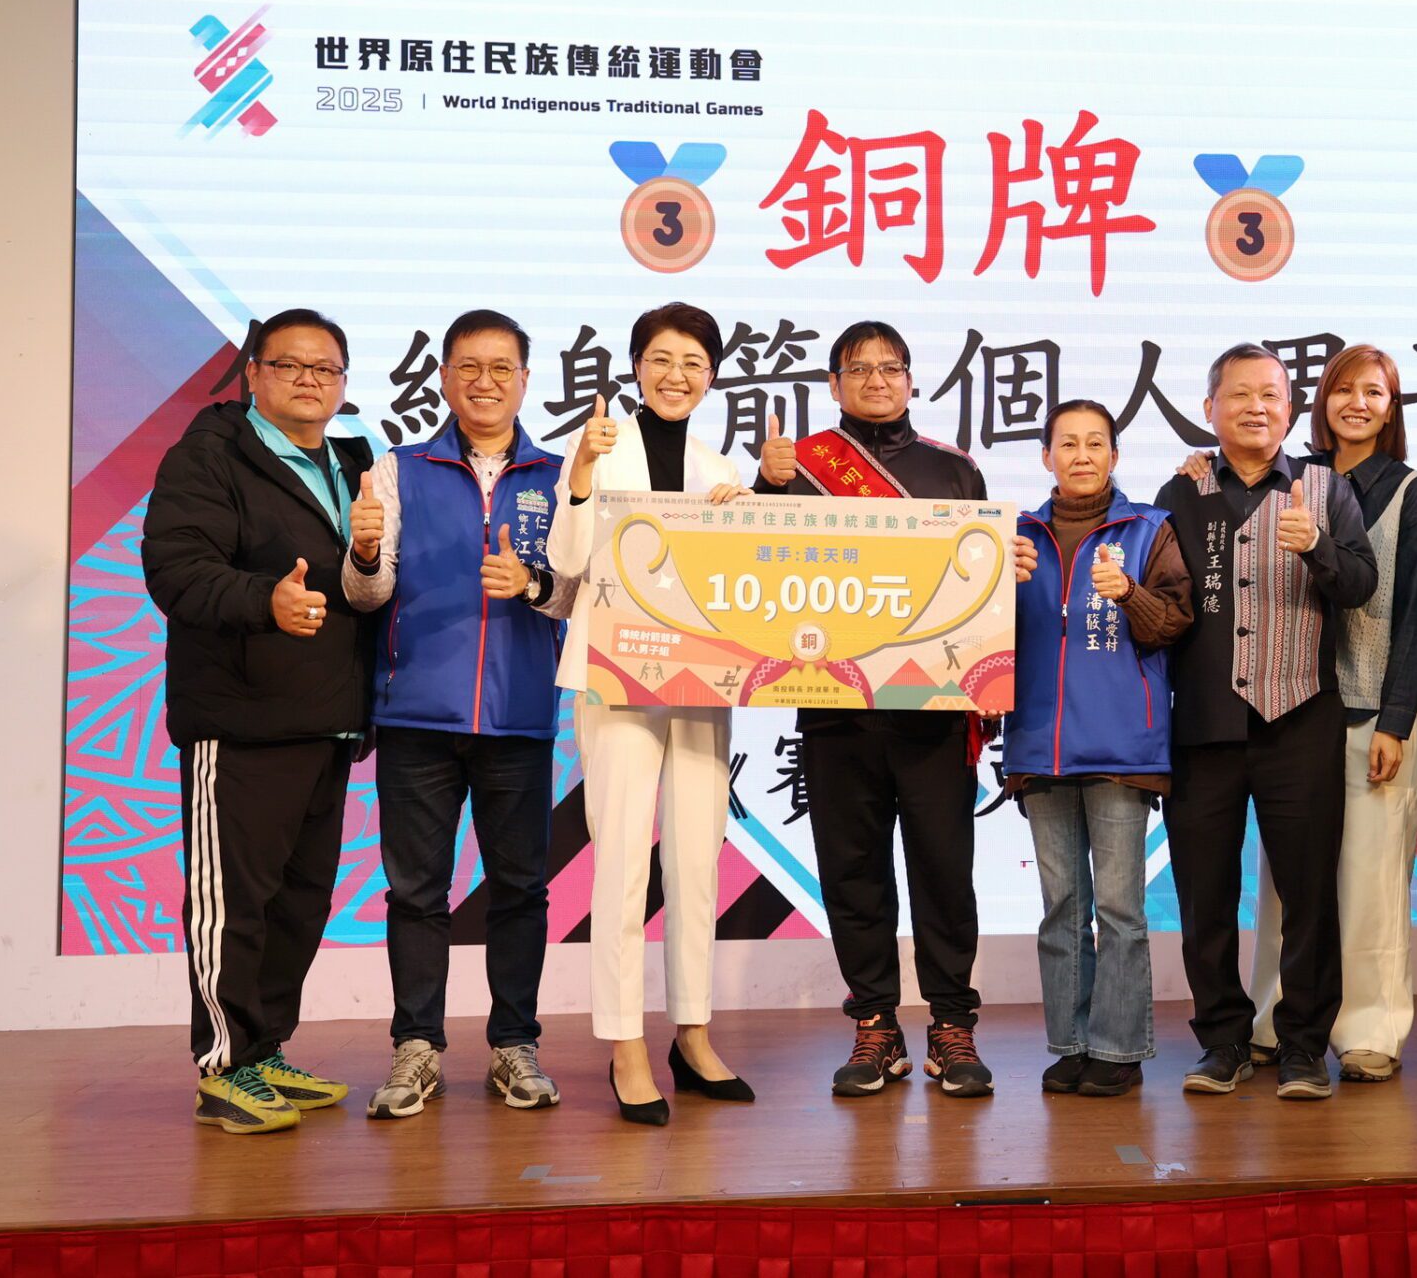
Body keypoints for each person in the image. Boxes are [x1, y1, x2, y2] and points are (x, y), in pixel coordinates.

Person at [141, 308, 373, 1133]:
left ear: (342, 385)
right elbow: (176, 569)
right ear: (252, 373)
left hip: (328, 718)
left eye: (326, 369)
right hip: (240, 719)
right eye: (289, 365)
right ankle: (224, 1064)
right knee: (231, 903)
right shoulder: (210, 455)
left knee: (298, 903)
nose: (309, 380)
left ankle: (265, 1048)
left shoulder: (354, 463)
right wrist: (262, 600)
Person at [750, 320, 995, 1099]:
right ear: (834, 384)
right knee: (852, 872)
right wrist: (766, 488)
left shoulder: (955, 471)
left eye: (891, 367)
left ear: (912, 379)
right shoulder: (798, 466)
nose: (877, 381)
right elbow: (754, 567)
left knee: (944, 872)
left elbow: (979, 587)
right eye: (859, 369)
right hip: (834, 711)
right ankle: (876, 1026)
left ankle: (951, 1025)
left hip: (934, 714)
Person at [342, 309, 576, 1119]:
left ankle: (515, 1046)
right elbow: (367, 593)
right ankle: (417, 1048)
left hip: (520, 717)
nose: (485, 381)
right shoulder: (399, 469)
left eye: (501, 367)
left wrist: (534, 587)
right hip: (418, 717)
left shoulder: (560, 477)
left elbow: (584, 594)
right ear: (442, 377)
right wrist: (363, 550)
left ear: (525, 380)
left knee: (521, 889)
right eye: (468, 367)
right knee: (417, 893)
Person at [545, 302, 754, 1126]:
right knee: (624, 857)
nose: (677, 375)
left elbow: (740, 588)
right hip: (615, 673)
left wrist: (750, 516)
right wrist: (581, 475)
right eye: (662, 359)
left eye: (694, 363)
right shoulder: (600, 446)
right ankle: (626, 1043)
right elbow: (564, 561)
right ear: (636, 368)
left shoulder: (717, 465)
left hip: (702, 679)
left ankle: (692, 1034)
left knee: (699, 858)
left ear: (712, 377)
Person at [1153, 344, 1377, 1101]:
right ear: (1210, 408)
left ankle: (1304, 1045)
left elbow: (1362, 584)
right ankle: (1223, 1040)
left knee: (1310, 894)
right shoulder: (1179, 492)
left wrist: (1317, 546)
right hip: (1204, 724)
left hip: (1301, 719)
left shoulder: (1326, 487)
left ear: (1290, 409)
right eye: (1239, 395)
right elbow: (1161, 601)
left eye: (1271, 396)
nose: (1256, 407)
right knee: (1204, 897)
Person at [1227, 345, 1417, 1083]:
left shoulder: (1412, 492)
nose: (1357, 403)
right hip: (1294, 709)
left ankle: (1370, 1029)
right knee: (1289, 885)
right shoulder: (1294, 478)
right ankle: (1274, 1018)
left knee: (1372, 881)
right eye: (1343, 389)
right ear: (1318, 403)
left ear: (1392, 408)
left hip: (1372, 712)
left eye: (1374, 392)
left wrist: (1396, 720)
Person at [1006, 400, 1194, 1098]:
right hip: (1039, 748)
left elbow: (1175, 622)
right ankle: (1071, 1043)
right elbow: (975, 637)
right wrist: (994, 585)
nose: (1081, 455)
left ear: (1115, 456)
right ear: (1045, 457)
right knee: (1061, 908)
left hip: (1122, 750)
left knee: (1119, 910)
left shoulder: (1148, 529)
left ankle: (1117, 1048)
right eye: (1067, 444)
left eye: (1095, 443)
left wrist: (1131, 595)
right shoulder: (1014, 537)